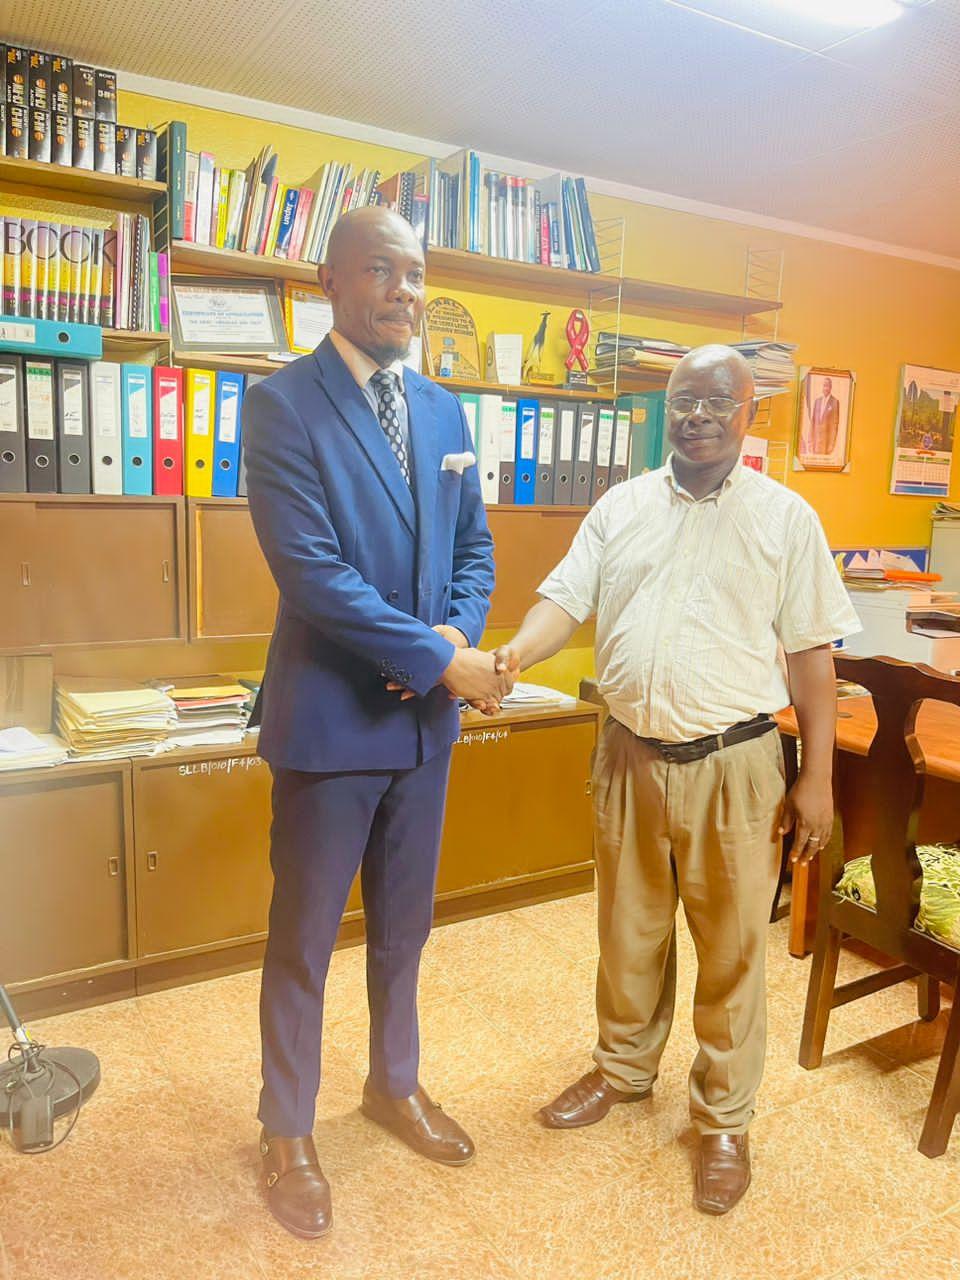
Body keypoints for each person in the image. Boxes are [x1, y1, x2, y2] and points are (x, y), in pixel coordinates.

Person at [495, 345, 860, 1215]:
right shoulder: (621, 507)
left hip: (736, 763)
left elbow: (812, 658)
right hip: (627, 754)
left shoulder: (785, 518)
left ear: (749, 413)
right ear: (664, 410)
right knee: (627, 933)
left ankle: (724, 1119)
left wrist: (818, 778)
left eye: (715, 400)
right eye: (681, 399)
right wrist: (509, 655)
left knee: (732, 949)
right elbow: (565, 600)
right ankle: (622, 1070)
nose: (696, 414)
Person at [243, 206, 506, 1239]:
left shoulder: (444, 411)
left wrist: (454, 627)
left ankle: (392, 1086)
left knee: (407, 926)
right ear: (331, 280)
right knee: (303, 938)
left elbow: (474, 548)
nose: (403, 289)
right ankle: (285, 1127)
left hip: (421, 733)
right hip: (331, 721)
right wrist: (441, 657)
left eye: (416, 272)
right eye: (382, 269)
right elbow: (313, 575)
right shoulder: (281, 406)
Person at [804, 375, 840, 456]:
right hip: (815, 444)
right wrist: (810, 442)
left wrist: (831, 445)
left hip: (826, 445)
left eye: (827, 386)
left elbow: (835, 426)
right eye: (824, 385)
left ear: (830, 387)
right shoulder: (817, 401)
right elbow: (813, 422)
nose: (825, 388)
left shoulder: (835, 402)